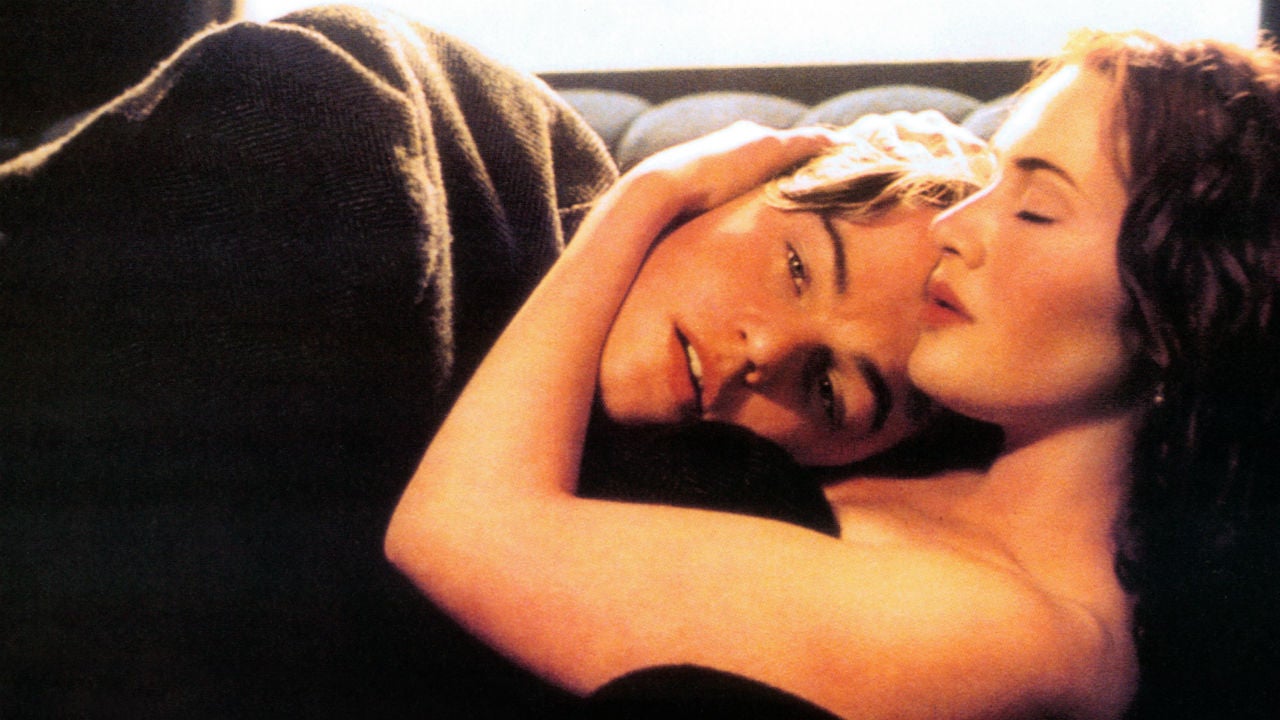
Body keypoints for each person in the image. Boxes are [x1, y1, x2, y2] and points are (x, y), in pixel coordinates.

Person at [0, 4, 994, 717]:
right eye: (795, 266)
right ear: (737, 179)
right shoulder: (379, 129)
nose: (764, 353)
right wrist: (640, 200)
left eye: (828, 387)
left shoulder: (709, 539)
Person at [386, 27, 1280, 720]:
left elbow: (462, 533)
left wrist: (649, 193)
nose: (959, 227)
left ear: (1184, 313)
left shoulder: (1014, 637)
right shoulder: (933, 449)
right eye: (993, 179)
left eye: (1036, 207)